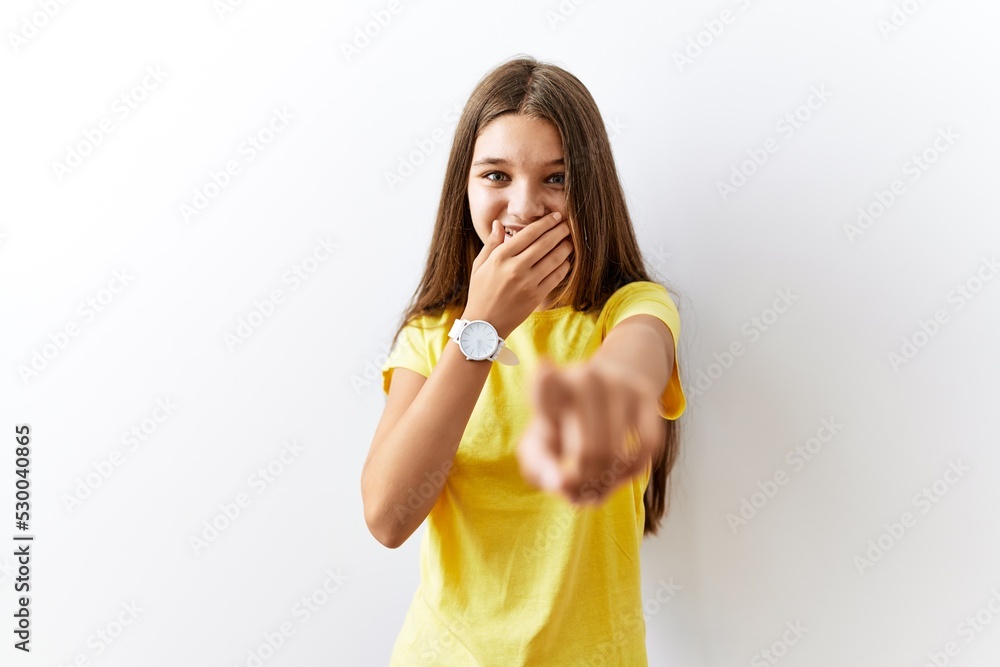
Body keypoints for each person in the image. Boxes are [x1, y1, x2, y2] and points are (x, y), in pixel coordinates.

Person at [361, 54, 687, 666]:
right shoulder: (433, 338)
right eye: (496, 176)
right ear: (465, 186)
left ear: (591, 190)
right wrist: (482, 328)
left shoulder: (634, 312)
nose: (524, 207)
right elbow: (387, 517)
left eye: (556, 179)